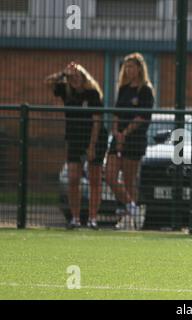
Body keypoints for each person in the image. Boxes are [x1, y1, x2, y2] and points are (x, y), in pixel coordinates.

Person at [45, 62, 108, 230]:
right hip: (74, 139)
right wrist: (62, 73)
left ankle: (93, 219)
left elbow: (97, 121)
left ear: (84, 76)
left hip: (95, 139)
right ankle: (75, 218)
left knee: (95, 179)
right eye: (71, 77)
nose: (74, 79)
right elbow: (48, 82)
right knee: (73, 178)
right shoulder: (66, 91)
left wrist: (92, 146)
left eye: (77, 76)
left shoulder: (92, 93)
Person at [106, 52, 154, 230]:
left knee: (129, 180)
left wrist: (125, 133)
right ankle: (133, 208)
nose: (128, 70)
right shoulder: (124, 88)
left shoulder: (146, 90)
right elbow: (117, 113)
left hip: (134, 139)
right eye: (126, 67)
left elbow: (142, 116)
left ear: (140, 69)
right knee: (110, 175)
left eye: (132, 66)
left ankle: (129, 219)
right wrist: (117, 133)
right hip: (118, 139)